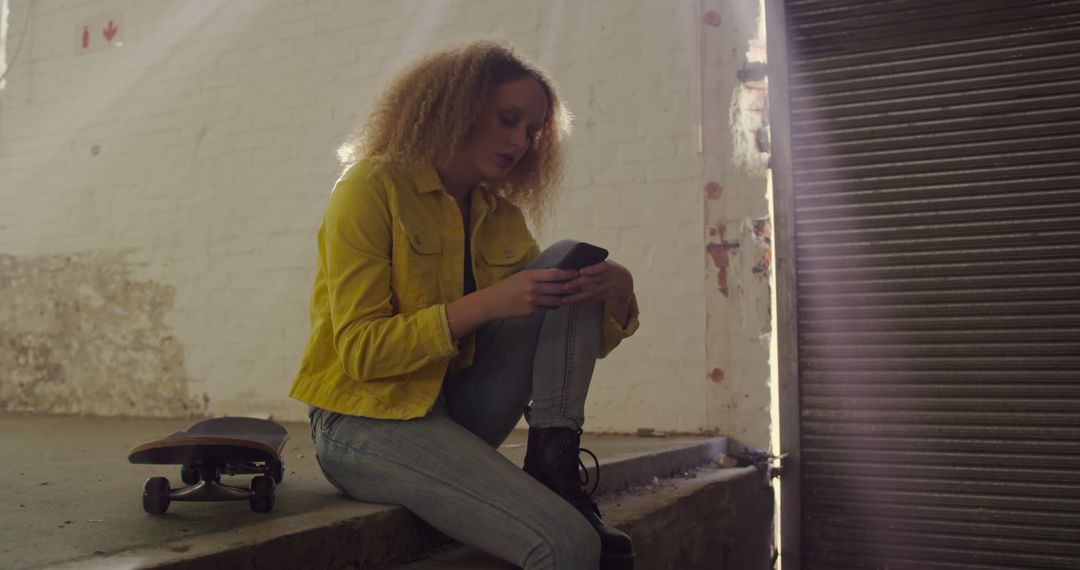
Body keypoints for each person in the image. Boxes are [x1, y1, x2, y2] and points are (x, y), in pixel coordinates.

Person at [288, 38, 641, 570]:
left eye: (532, 129)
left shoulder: (499, 216)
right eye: (507, 119)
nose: (521, 140)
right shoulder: (370, 187)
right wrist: (488, 304)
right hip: (364, 423)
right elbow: (361, 354)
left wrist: (619, 292)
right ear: (455, 109)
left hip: (458, 411)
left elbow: (560, 346)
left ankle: (554, 464)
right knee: (569, 546)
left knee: (568, 262)